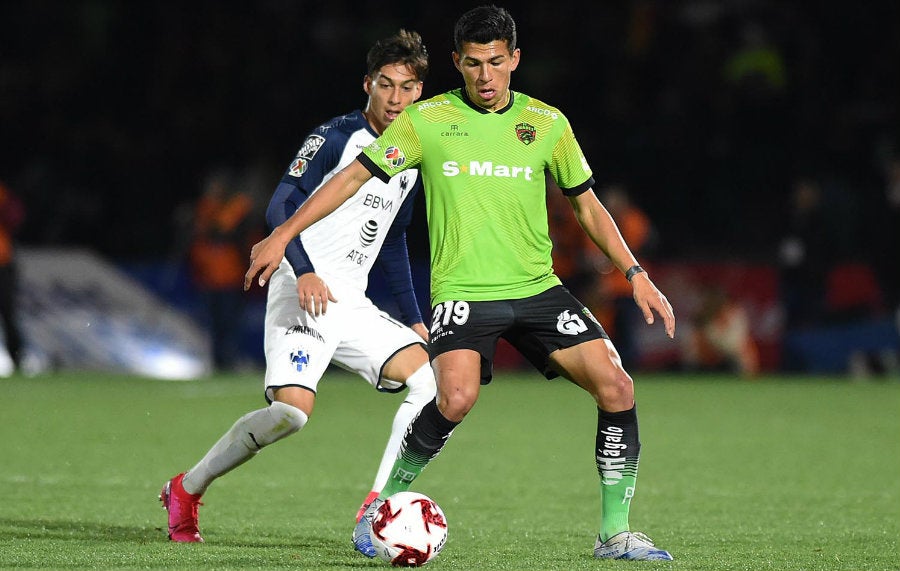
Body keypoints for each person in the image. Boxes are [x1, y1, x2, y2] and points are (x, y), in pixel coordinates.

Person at [245, 6, 675, 561]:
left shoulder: (548, 124)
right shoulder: (428, 120)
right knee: (455, 397)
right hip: (464, 292)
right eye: (473, 64)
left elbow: (587, 205)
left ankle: (614, 535)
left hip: (537, 288)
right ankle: (384, 507)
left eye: (496, 62)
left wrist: (635, 274)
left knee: (618, 387)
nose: (486, 76)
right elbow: (354, 176)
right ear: (457, 62)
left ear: (515, 59)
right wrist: (284, 234)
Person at [161, 29, 435, 542]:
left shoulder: (410, 159)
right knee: (290, 413)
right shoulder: (334, 137)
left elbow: (395, 240)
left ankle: (376, 507)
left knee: (428, 380)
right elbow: (278, 207)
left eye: (407, 87)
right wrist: (305, 269)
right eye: (386, 84)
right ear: (367, 84)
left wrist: (413, 314)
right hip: (300, 286)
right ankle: (188, 487)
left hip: (351, 301)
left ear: (419, 92)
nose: (396, 98)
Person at [188, 168, 257, 371]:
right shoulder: (207, 208)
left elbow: (227, 234)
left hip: (232, 276)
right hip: (209, 277)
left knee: (230, 322)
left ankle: (229, 360)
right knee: (214, 324)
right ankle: (217, 362)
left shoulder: (237, 208)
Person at [0, 180, 25, 374]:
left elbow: (15, 216)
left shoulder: (2, 193)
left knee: (8, 312)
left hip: (3, 263)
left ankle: (17, 360)